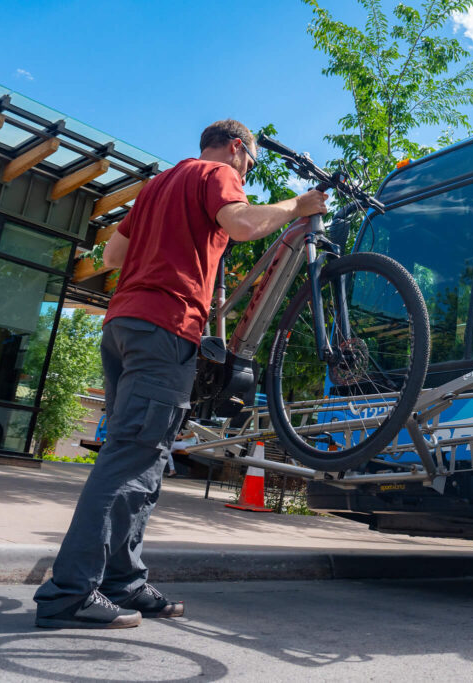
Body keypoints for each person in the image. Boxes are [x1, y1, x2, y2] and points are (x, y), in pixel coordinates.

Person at [33, 120, 328, 629]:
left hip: (123, 325)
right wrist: (296, 208)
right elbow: (240, 224)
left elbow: (113, 255)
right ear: (237, 149)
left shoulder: (158, 184)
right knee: (130, 458)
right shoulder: (216, 173)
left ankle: (121, 582)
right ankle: (68, 592)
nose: (246, 172)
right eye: (250, 165)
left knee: (144, 457)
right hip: (163, 329)